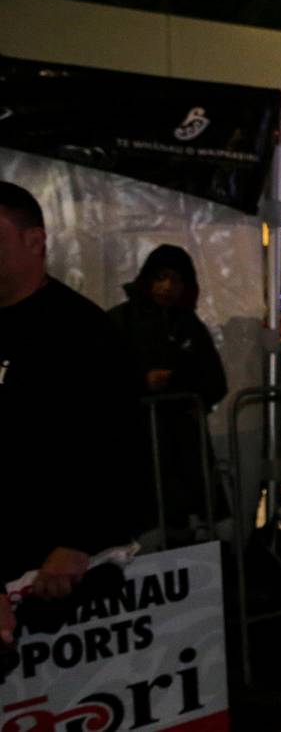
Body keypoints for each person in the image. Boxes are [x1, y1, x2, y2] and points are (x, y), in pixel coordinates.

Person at [0, 181, 143, 628]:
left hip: (46, 568)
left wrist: (77, 541)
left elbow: (116, 443)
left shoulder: (82, 331)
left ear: (34, 241)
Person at [108, 244, 228, 536]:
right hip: (136, 439)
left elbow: (214, 379)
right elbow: (102, 375)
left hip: (181, 440)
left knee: (179, 519)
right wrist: (141, 383)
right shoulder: (121, 320)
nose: (167, 287)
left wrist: (188, 391)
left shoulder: (189, 325)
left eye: (176, 279)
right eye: (161, 277)